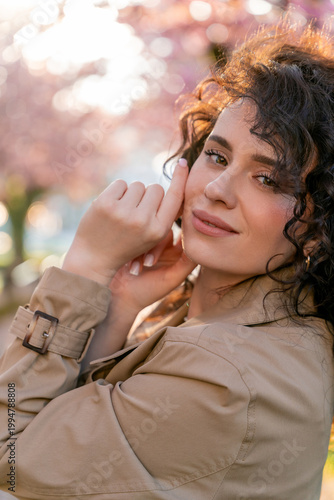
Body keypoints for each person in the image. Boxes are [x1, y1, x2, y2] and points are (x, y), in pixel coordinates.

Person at [0, 19, 334, 500]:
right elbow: (65, 435)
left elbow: (8, 459)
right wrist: (118, 304)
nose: (217, 190)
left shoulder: (223, 377)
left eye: (269, 180)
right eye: (218, 157)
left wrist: (85, 266)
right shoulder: (236, 325)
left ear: (319, 226)